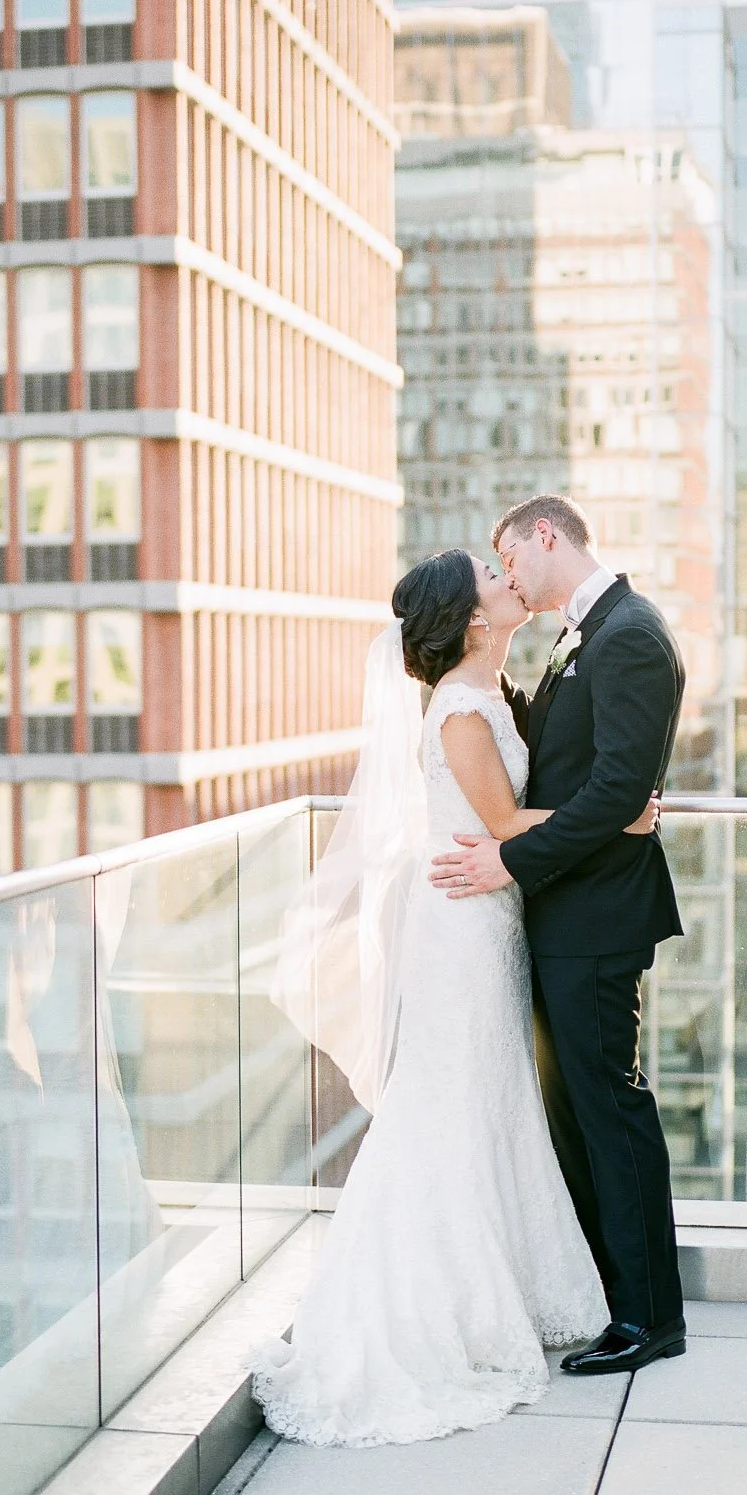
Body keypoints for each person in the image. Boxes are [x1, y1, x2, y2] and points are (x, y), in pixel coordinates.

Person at [251, 546, 659, 1446]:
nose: (509, 579)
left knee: (487, 1109)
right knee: (451, 1111)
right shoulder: (462, 712)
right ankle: (430, 1310)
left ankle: (494, 1289)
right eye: (492, 576)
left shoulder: (491, 694)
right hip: (466, 933)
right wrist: (624, 811)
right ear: (474, 618)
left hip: (491, 922)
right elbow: (509, 824)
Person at [431, 495, 686, 1377]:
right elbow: (574, 771)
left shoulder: (631, 634)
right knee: (578, 1112)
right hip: (564, 915)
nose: (509, 578)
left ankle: (649, 1317)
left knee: (611, 1108)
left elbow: (618, 792)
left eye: (511, 556)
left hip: (599, 919)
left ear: (547, 537)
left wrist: (510, 860)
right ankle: (615, 1297)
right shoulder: (581, 636)